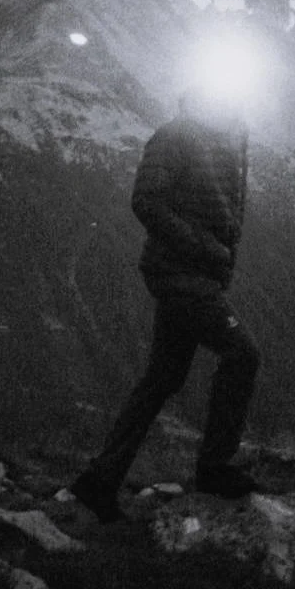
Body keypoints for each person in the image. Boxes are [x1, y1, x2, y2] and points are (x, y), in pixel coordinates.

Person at [70, 86, 261, 523]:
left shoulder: (224, 140)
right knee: (242, 354)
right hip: (179, 274)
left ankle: (99, 481)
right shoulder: (177, 135)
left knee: (163, 378)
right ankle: (214, 468)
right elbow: (146, 200)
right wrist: (199, 247)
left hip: (192, 274)